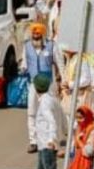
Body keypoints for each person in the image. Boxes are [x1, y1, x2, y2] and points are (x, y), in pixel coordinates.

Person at [23, 22, 64, 153]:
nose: (35, 36)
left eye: (38, 34)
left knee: (51, 110)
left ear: (42, 34)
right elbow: (25, 62)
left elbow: (60, 64)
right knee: (32, 111)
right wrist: (23, 69)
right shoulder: (27, 46)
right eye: (33, 34)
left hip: (49, 84)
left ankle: (54, 139)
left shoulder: (51, 45)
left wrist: (64, 80)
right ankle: (33, 141)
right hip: (33, 83)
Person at [32, 73, 62, 169]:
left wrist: (52, 139)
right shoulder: (51, 99)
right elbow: (61, 117)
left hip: (47, 144)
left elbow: (52, 121)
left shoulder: (45, 103)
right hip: (42, 143)